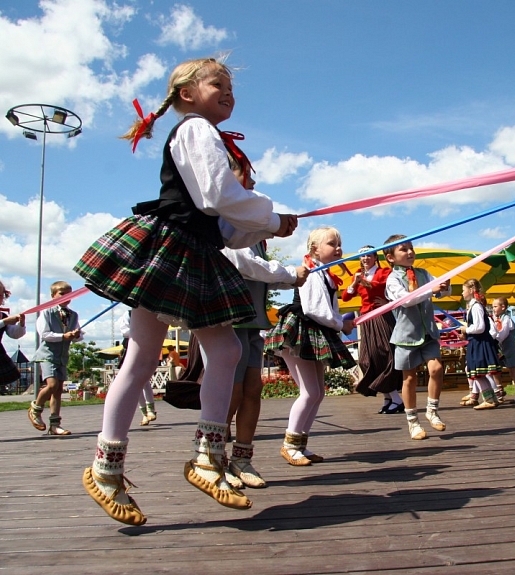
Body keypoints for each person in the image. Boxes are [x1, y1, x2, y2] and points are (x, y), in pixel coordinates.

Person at [73, 56, 298, 525]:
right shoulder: (196, 129)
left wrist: (268, 230)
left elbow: (221, 224)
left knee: (222, 351)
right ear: (187, 94)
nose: (230, 91)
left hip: (193, 248)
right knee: (167, 356)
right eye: (219, 82)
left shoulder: (203, 131)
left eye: (232, 86)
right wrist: (272, 218)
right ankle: (113, 467)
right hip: (172, 248)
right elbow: (219, 195)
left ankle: (201, 457)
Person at [222, 157, 310, 485]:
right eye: (246, 179)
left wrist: (291, 279)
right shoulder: (227, 222)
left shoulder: (253, 230)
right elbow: (244, 264)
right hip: (228, 318)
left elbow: (260, 273)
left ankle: (242, 459)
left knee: (253, 390)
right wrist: (289, 274)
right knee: (230, 393)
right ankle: (214, 457)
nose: (254, 185)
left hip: (252, 319)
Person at [264, 227, 355, 466]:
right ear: (314, 249)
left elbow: (328, 309)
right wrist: (340, 325)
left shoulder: (325, 274)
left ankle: (299, 444)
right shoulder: (313, 272)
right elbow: (315, 309)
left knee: (317, 392)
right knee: (310, 392)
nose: (338, 248)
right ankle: (289, 445)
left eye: (339, 243)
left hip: (312, 331)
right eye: (332, 244)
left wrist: (339, 322)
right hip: (301, 332)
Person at [384, 235, 450, 440]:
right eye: (403, 249)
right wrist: (432, 290)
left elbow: (442, 293)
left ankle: (432, 410)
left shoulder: (423, 273)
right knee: (409, 379)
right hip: (406, 336)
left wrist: (445, 286)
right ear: (390, 258)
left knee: (437, 368)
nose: (410, 252)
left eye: (411, 248)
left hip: (428, 332)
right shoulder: (392, 279)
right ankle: (413, 422)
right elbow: (406, 300)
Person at [342, 246, 403, 413]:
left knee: (384, 354)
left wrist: (387, 302)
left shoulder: (384, 272)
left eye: (369, 255)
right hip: (367, 320)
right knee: (366, 359)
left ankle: (395, 399)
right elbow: (346, 297)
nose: (365, 258)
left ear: (375, 257)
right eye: (362, 256)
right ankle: (390, 398)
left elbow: (384, 287)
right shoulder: (357, 274)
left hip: (382, 316)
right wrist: (355, 282)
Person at [28, 281, 83, 436]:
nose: (66, 297)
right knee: (51, 385)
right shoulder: (46, 313)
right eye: (62, 294)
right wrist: (63, 336)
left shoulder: (73, 315)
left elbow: (76, 336)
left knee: (58, 390)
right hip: (48, 355)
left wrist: (76, 335)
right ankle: (36, 409)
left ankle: (55, 424)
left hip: (62, 357)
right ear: (53, 296)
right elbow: (44, 334)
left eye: (70, 294)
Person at [458, 280, 501, 410]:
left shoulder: (476, 307)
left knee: (478, 374)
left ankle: (489, 399)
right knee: (478, 374)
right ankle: (491, 399)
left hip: (479, 343)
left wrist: (467, 329)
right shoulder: (474, 306)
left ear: (471, 290)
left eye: (463, 290)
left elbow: (480, 327)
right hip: (476, 342)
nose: (462, 292)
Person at [117, 310, 157, 426]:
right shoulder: (128, 313)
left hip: (145, 347)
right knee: (135, 380)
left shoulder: (150, 312)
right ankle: (144, 413)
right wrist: (141, 333)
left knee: (145, 380)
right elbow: (124, 330)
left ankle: (150, 409)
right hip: (132, 347)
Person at [491, 297, 515, 404]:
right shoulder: (496, 319)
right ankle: (499, 392)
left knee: (512, 371)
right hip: (501, 350)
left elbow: (503, 334)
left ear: (503, 307)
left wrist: (493, 337)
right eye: (492, 307)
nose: (493, 309)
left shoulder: (506, 319)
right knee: (495, 370)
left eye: (495, 306)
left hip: (509, 350)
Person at [0, 281, 26, 390]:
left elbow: (14, 334)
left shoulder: (2, 315)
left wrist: (21, 324)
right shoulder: (4, 318)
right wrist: (4, 322)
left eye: (0, 295)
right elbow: (5, 323)